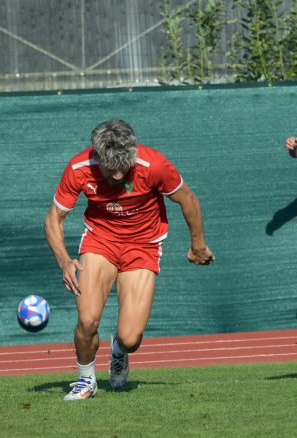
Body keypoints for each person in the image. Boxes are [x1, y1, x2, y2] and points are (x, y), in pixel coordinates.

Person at [44, 119, 215, 400]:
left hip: (143, 246)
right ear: (97, 156)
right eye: (112, 168)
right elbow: (54, 218)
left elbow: (188, 199)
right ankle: (86, 380)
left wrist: (198, 244)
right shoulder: (78, 169)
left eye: (125, 164)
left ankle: (118, 351)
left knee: (130, 338)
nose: (121, 172)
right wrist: (64, 261)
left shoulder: (154, 164)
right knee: (87, 320)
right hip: (101, 242)